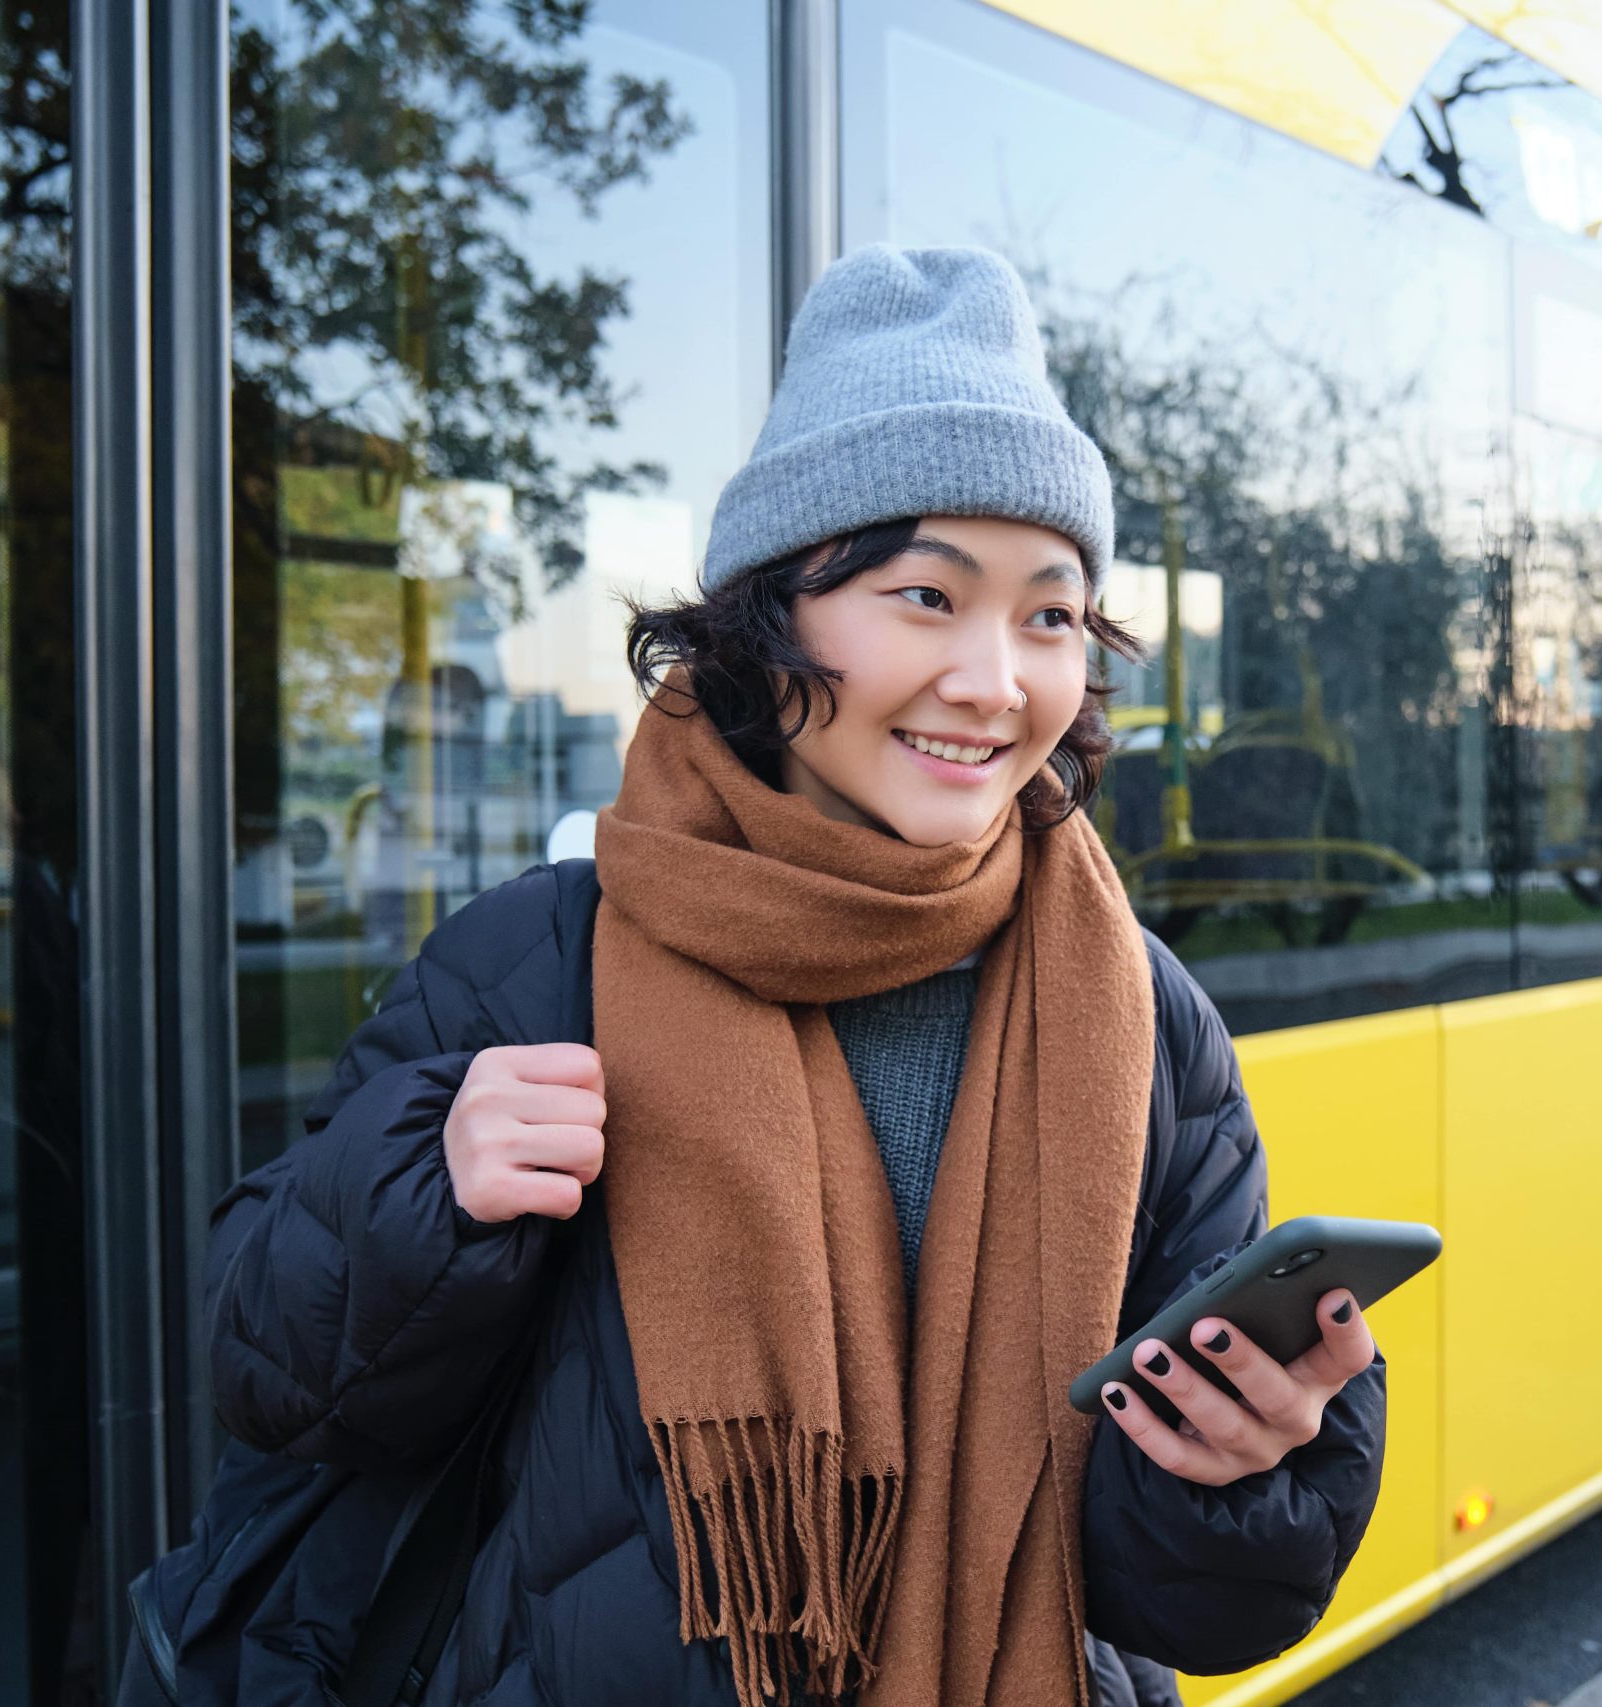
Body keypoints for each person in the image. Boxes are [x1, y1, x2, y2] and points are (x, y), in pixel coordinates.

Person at [205, 245, 1387, 1707]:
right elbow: (270, 1375)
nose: (995, 679)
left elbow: (1177, 1607)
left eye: (1050, 614)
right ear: (771, 626)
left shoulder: (1140, 1013)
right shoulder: (540, 956)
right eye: (924, 596)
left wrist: (1251, 1468)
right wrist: (428, 1191)